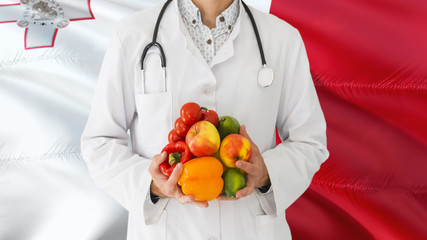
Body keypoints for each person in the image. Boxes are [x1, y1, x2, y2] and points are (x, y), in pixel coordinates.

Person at [81, 0, 329, 239]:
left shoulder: (282, 39)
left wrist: (266, 175)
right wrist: (152, 185)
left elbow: (309, 141)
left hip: (248, 230)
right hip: (169, 229)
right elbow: (99, 142)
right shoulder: (132, 35)